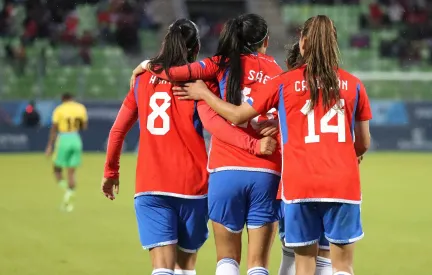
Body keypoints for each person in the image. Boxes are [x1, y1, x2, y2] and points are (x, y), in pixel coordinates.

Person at [172, 15, 372, 275]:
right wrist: (349, 155)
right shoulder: (353, 84)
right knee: (340, 265)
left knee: (298, 262)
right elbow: (363, 142)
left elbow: (236, 115)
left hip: (293, 180)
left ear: (303, 43)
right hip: (333, 180)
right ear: (334, 43)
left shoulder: (281, 81)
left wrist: (202, 93)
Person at [102, 19, 276, 275]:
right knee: (186, 265)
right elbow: (216, 125)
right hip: (192, 186)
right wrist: (254, 144)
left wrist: (111, 172)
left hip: (150, 186)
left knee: (161, 267)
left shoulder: (141, 81)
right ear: (195, 50)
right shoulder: (198, 85)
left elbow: (118, 130)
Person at [277, 42, 333, 275]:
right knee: (326, 254)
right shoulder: (332, 91)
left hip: (294, 187)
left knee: (294, 255)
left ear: (290, 66)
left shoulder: (283, 90)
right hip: (331, 183)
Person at [45, 93, 88, 212]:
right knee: (71, 172)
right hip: (76, 138)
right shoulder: (80, 108)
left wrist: (49, 146)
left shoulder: (59, 109)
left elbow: (54, 128)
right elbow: (84, 126)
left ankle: (67, 190)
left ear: (63, 100)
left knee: (56, 169)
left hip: (64, 139)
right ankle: (70, 197)